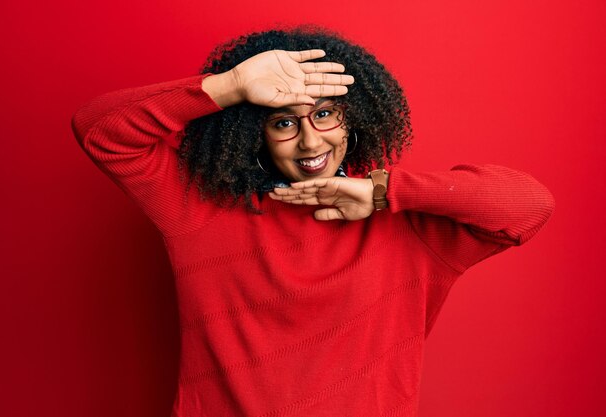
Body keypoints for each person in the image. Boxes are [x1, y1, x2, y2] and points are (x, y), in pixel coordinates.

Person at [72, 27, 554, 417]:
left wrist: (385, 192)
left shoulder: (406, 224)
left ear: (356, 120)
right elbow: (100, 130)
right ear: (252, 135)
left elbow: (529, 206)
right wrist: (231, 87)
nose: (310, 141)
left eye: (325, 115)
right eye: (284, 122)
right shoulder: (197, 209)